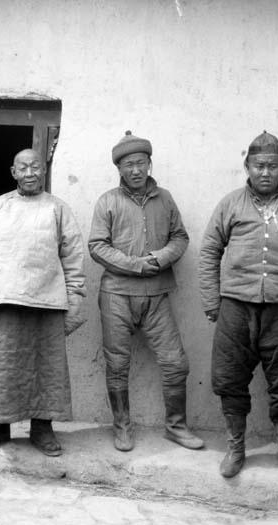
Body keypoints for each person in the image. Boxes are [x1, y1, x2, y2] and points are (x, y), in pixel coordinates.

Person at [0, 148, 86, 455]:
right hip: (1, 304)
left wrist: (74, 304)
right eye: (23, 168)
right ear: (13, 172)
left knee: (46, 370)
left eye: (35, 167)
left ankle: (41, 429)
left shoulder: (58, 209)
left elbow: (73, 260)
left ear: (43, 171)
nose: (30, 173)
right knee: (0, 370)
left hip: (47, 305)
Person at [88, 131, 204, 452]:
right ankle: (122, 427)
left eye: (140, 163)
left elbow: (180, 237)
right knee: (117, 364)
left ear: (150, 164)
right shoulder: (108, 201)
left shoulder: (164, 198)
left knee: (176, 363)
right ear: (119, 170)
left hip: (156, 295)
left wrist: (160, 258)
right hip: (116, 295)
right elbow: (97, 246)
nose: (135, 170)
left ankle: (176, 427)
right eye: (128, 165)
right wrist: (136, 265)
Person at [199, 131, 278, 486]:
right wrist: (212, 302)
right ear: (247, 167)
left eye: (272, 165)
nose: (265, 172)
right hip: (235, 308)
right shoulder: (230, 204)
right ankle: (235, 448)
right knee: (230, 380)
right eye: (258, 166)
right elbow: (209, 252)